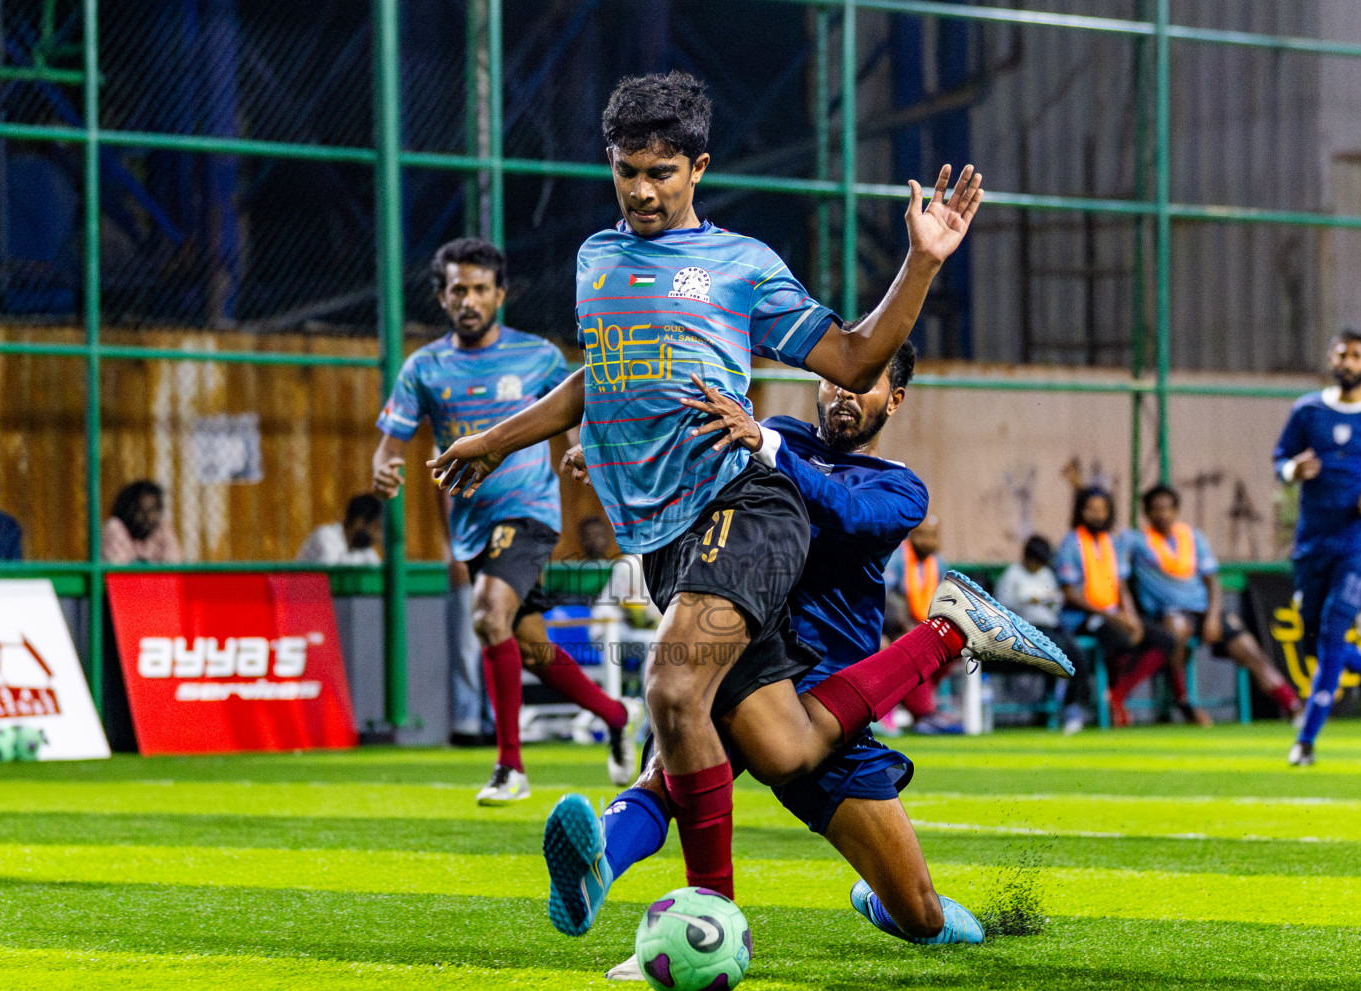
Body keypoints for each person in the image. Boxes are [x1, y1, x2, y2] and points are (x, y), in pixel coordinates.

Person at [434, 72, 1063, 900]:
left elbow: (853, 357)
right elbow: (604, 377)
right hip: (661, 543)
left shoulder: (740, 266)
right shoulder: (597, 259)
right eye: (628, 171)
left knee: (670, 684)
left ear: (698, 167)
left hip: (741, 508)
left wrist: (919, 262)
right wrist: (495, 438)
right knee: (785, 748)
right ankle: (947, 633)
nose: (644, 191)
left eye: (662, 172)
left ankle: (706, 915)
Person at [549, 342, 1007, 956]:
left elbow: (845, 509)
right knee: (669, 768)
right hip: (745, 654)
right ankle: (606, 874)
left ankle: (887, 902)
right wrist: (613, 457)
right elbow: (689, 455)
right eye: (835, 379)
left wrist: (763, 445)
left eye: (865, 383)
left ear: (894, 400)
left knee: (921, 915)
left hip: (830, 697)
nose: (844, 392)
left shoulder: (899, 488)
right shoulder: (770, 437)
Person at [372, 236, 641, 803]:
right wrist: (385, 469)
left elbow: (572, 410)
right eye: (456, 290)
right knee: (530, 645)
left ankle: (510, 768)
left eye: (478, 289)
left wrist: (579, 448)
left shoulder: (538, 357)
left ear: (499, 294)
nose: (467, 299)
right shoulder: (425, 367)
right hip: (471, 524)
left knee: (488, 616)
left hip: (529, 511)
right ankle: (617, 716)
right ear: (442, 297)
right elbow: (390, 442)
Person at [1273, 329, 1361, 767]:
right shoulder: (1307, 411)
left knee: (1335, 626)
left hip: (1360, 541)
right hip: (1312, 541)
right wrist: (1291, 469)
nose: (1347, 362)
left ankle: (1307, 738)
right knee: (1317, 640)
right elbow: (1280, 458)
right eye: (1341, 354)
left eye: (1356, 356)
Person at [1126, 484, 1302, 725]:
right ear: (1146, 512)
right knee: (1175, 631)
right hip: (1170, 612)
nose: (1162, 514)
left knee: (1248, 648)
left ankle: (1292, 705)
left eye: (1167, 508)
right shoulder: (1136, 541)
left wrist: (1212, 616)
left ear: (1176, 511)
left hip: (1205, 610)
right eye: (1156, 509)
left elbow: (1213, 581)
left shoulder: (1193, 537)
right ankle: (1185, 705)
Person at [1054, 487, 1171, 727]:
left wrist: (1131, 617)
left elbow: (1120, 586)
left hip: (1114, 613)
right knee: (1120, 639)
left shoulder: (1113, 543)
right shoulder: (1071, 543)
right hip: (1082, 617)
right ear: (1080, 512)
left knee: (1165, 640)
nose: (1097, 515)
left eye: (1102, 510)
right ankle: (1100, 697)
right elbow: (1069, 595)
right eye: (1090, 509)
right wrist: (1115, 618)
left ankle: (1117, 693)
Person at [995, 534, 1093, 732]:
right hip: (1026, 629)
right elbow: (1000, 608)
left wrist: (1050, 600)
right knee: (1062, 653)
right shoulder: (1012, 575)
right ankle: (1066, 705)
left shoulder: (1046, 575)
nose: (1037, 566)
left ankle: (1073, 704)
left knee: (1076, 654)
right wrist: (1026, 601)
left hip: (1051, 625)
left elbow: (1056, 603)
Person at [881, 515, 953, 732]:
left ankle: (921, 708)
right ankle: (923, 712)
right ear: (910, 534)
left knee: (952, 649)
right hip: (891, 630)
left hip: (923, 629)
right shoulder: (896, 559)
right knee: (916, 651)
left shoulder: (938, 564)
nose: (927, 542)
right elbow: (883, 599)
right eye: (922, 535)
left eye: (933, 536)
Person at [102, 480, 182, 564]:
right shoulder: (115, 527)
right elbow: (119, 568)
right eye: (142, 511)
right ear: (128, 511)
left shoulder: (162, 527)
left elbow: (174, 563)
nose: (148, 517)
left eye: (153, 510)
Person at [296, 494, 384, 565]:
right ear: (358, 522)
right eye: (376, 527)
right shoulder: (325, 535)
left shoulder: (363, 548)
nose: (378, 534)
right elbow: (331, 574)